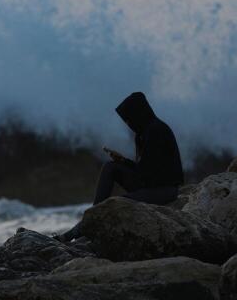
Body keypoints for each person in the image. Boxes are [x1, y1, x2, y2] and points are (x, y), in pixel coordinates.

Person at [54, 91, 184, 242]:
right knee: (111, 167)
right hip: (150, 185)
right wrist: (123, 161)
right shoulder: (142, 134)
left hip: (164, 190)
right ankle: (93, 217)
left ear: (139, 113)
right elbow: (145, 170)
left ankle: (73, 233)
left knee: (116, 204)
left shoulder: (157, 131)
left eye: (129, 119)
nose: (128, 124)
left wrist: (128, 166)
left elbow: (151, 174)